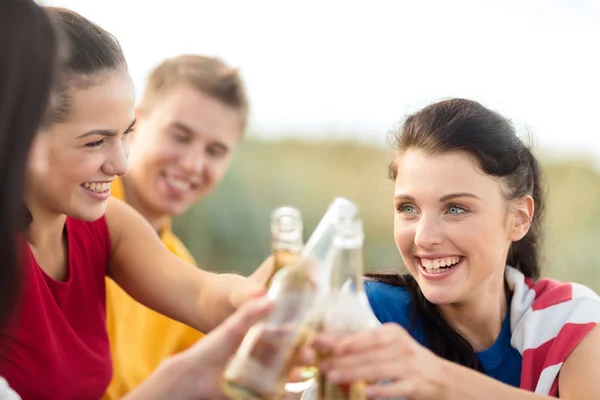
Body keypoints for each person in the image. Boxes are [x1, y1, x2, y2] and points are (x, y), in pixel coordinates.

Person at [0, 7, 270, 399]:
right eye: (95, 142)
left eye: (125, 134)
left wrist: (253, 295)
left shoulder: (109, 224)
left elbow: (203, 295)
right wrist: (174, 385)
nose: (121, 164)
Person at [312, 98, 600, 399]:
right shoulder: (367, 312)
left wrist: (442, 381)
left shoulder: (568, 323)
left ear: (519, 218)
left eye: (455, 209)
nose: (424, 237)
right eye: (408, 208)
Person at [105, 54, 249, 398]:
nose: (191, 164)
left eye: (214, 151)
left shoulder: (182, 268)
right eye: (180, 137)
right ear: (134, 124)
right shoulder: (71, 216)